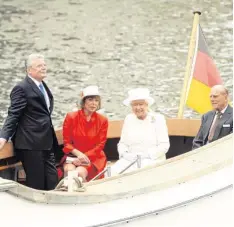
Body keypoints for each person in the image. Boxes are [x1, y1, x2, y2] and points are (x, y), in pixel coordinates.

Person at [0, 54, 58, 190]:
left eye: (44, 65)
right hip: (30, 144)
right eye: (39, 66)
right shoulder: (21, 88)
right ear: (29, 70)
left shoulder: (43, 86)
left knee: (52, 181)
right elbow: (13, 114)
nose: (43, 68)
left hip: (46, 142)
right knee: (37, 184)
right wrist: (3, 136)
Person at [110, 88, 170, 175]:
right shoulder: (129, 119)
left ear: (147, 105)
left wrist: (147, 155)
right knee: (111, 172)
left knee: (140, 173)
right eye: (134, 105)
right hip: (130, 159)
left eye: (141, 104)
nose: (138, 108)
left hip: (152, 159)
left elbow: (164, 145)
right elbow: (122, 143)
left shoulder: (158, 119)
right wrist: (125, 154)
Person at [59, 85, 108, 182]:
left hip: (94, 157)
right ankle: (71, 193)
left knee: (80, 172)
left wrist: (83, 157)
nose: (93, 103)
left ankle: (81, 193)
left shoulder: (103, 120)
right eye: (90, 100)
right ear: (83, 101)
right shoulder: (71, 117)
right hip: (73, 155)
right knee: (69, 170)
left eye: (96, 100)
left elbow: (100, 145)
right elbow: (67, 143)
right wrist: (79, 155)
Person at [192, 85, 233, 149]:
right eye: (210, 97)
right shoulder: (206, 116)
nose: (212, 99)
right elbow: (197, 141)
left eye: (215, 96)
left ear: (225, 97)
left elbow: (231, 143)